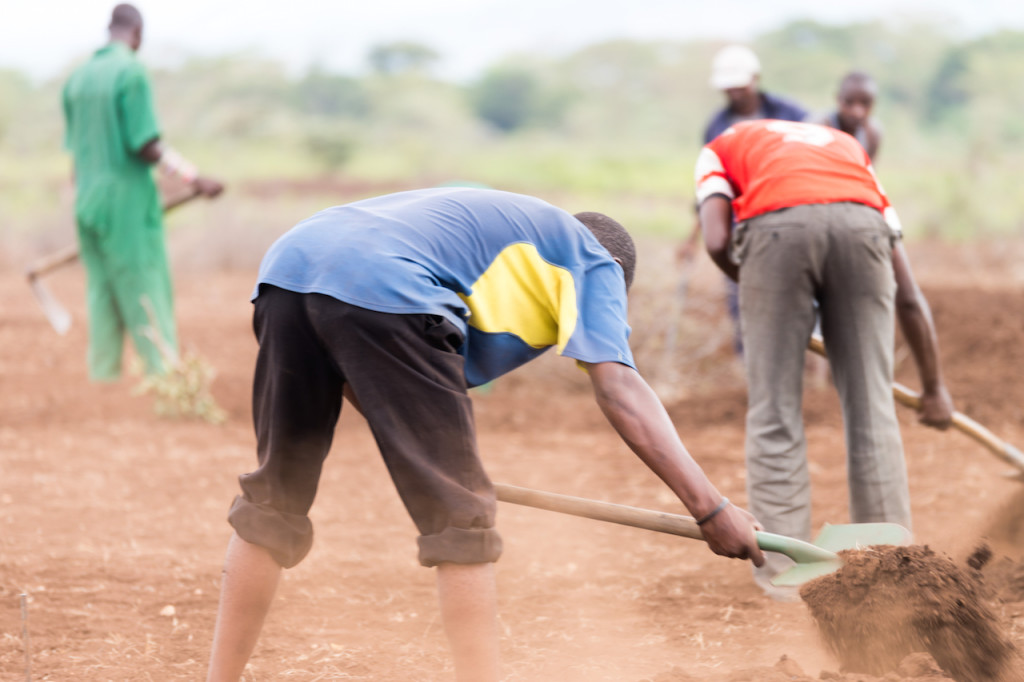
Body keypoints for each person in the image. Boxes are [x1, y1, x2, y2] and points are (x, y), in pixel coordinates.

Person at [205, 187, 765, 682]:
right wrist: (711, 510)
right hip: (383, 282)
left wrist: (413, 442)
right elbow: (621, 390)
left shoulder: (505, 245)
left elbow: (376, 369)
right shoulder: (593, 259)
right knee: (462, 523)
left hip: (290, 269)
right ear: (616, 271)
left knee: (272, 502)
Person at [695, 119, 955, 599]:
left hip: (773, 232)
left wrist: (761, 290)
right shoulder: (848, 150)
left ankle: (788, 578)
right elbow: (910, 296)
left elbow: (714, 241)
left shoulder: (719, 148)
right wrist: (935, 387)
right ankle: (893, 571)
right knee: (873, 406)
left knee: (774, 410)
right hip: (863, 229)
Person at [61, 3, 223, 381]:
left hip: (86, 201)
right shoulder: (130, 71)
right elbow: (144, 144)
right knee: (145, 286)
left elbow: (74, 152)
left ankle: (103, 377)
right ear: (137, 34)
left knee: (101, 289)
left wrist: (81, 199)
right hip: (125, 203)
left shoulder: (77, 79)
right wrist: (193, 178)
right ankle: (164, 374)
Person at [679, 45, 808, 357]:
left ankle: (807, 362)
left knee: (799, 291)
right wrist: (693, 237)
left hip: (792, 216)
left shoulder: (791, 115)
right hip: (740, 224)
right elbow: (710, 187)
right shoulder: (716, 126)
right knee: (741, 298)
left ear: (755, 79)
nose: (735, 92)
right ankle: (751, 367)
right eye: (729, 86)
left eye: (740, 84)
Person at [815, 71, 883, 161]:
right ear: (838, 98)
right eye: (849, 102)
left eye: (865, 103)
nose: (857, 112)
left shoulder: (872, 134)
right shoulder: (819, 127)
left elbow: (869, 172)